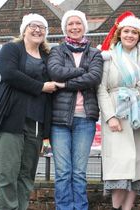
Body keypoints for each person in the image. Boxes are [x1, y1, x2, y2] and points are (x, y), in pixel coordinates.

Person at [0, 13, 56, 210]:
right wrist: (41, 86)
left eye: (42, 27)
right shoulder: (11, 49)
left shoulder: (48, 57)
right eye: (33, 25)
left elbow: (53, 93)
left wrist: (46, 132)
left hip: (35, 123)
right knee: (7, 173)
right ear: (24, 29)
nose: (37, 30)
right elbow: (10, 74)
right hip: (9, 119)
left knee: (26, 175)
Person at [97, 11, 140, 210]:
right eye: (126, 31)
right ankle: (116, 207)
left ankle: (128, 208)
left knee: (137, 167)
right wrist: (110, 116)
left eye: (134, 32)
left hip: (139, 115)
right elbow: (101, 89)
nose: (130, 35)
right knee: (119, 167)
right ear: (119, 34)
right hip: (118, 115)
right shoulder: (108, 57)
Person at [47, 10, 103, 209]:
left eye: (78, 23)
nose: (74, 27)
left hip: (85, 119)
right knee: (63, 172)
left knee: (79, 172)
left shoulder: (95, 53)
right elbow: (55, 71)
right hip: (59, 121)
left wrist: (64, 83)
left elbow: (94, 78)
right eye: (70, 24)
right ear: (65, 28)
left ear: (84, 26)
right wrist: (81, 72)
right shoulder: (57, 51)